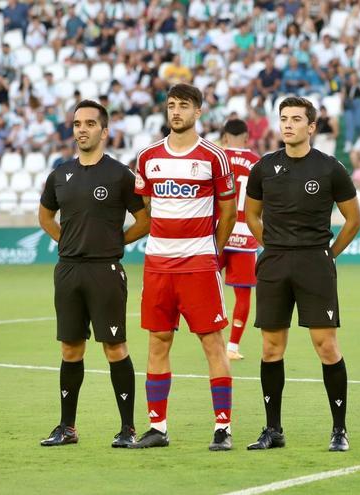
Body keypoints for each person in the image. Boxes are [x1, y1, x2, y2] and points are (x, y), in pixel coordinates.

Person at [244, 97, 360, 452]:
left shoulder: (330, 168)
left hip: (315, 264)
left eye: (297, 119)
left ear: (312, 126)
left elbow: (354, 220)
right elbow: (251, 216)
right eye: (284, 119)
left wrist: (329, 254)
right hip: (275, 264)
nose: (289, 124)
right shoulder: (264, 167)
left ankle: (339, 430)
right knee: (270, 348)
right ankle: (273, 429)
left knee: (326, 346)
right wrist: (275, 246)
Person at [129, 84, 238, 451]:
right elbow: (144, 209)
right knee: (157, 342)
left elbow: (227, 211)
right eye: (171, 106)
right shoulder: (147, 157)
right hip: (158, 266)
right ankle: (157, 427)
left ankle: (223, 428)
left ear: (198, 112)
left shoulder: (213, 156)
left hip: (199, 266)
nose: (176, 112)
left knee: (212, 343)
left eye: (184, 106)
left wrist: (213, 251)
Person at [38, 100, 150, 447]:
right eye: (76, 124)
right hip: (69, 270)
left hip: (106, 270)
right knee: (70, 349)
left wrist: (115, 242)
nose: (81, 129)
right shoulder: (59, 174)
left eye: (89, 123)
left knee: (115, 348)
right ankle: (67, 427)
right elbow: (45, 217)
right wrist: (68, 241)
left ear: (105, 131)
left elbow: (144, 220)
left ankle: (128, 429)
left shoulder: (120, 174)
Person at [218, 119, 261, 361]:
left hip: (218, 232)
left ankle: (210, 335)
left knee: (204, 285)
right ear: (247, 138)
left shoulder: (216, 156)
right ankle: (232, 346)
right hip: (245, 235)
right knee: (243, 295)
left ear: (225, 137)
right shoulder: (257, 162)